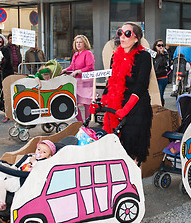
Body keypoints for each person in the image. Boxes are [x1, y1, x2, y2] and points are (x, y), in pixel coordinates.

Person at [90, 22, 153, 167]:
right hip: (116, 105)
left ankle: (133, 180)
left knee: (132, 146)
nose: (122, 37)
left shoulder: (143, 56)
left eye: (127, 34)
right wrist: (100, 103)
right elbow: (112, 83)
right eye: (120, 33)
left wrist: (127, 108)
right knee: (114, 143)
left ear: (136, 38)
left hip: (136, 107)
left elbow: (141, 85)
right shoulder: (115, 56)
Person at [0, 140, 56, 211]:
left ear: (49, 156)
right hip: (16, 173)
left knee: (0, 184)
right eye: (38, 149)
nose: (39, 152)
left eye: (44, 152)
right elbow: (16, 166)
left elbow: (40, 173)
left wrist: (34, 162)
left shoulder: (44, 163)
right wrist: (8, 168)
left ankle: (2, 204)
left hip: (22, 180)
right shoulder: (28, 156)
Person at [61, 35, 95, 122]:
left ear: (85, 44)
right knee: (74, 103)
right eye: (77, 42)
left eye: (80, 42)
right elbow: (72, 67)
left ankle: (86, 124)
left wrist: (78, 71)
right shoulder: (75, 54)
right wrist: (65, 70)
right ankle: (81, 122)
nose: (78, 44)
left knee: (87, 103)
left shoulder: (88, 53)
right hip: (77, 82)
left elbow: (90, 67)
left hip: (86, 81)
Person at [152, 39, 169, 106]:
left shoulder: (165, 54)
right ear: (155, 46)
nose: (161, 47)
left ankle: (161, 107)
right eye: (159, 45)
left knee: (160, 94)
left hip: (162, 77)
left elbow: (160, 64)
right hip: (154, 77)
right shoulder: (152, 54)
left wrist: (161, 54)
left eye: (162, 45)